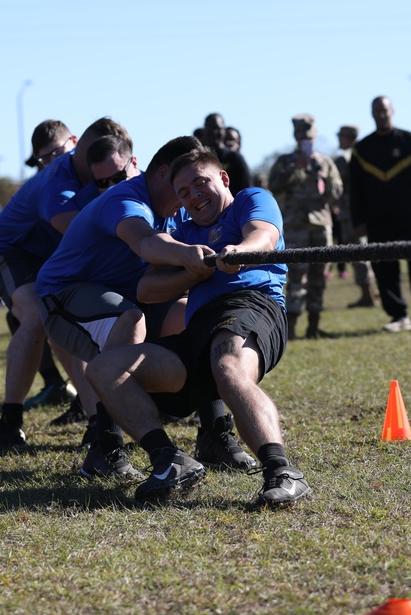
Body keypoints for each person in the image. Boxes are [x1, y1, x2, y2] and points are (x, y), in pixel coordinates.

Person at [86, 148, 310, 506]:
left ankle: (282, 471)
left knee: (228, 366)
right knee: (104, 368)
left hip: (252, 306)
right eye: (184, 192)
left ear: (222, 179)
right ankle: (168, 460)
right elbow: (147, 288)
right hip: (198, 332)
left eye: (200, 183)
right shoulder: (185, 233)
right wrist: (191, 269)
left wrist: (239, 251)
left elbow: (264, 236)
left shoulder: (251, 200)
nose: (193, 196)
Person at [35, 136, 253, 480]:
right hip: (63, 296)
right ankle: (106, 447)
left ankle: (213, 433)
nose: (192, 193)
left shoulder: (179, 210)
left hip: (129, 297)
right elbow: (146, 241)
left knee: (192, 317)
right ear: (164, 173)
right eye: (184, 182)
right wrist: (186, 255)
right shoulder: (126, 199)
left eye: (199, 182)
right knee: (129, 319)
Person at [0, 118, 122, 448]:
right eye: (41, 158)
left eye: (54, 153)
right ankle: (10, 421)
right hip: (13, 253)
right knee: (36, 318)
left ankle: (95, 421)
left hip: (54, 257)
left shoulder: (103, 169)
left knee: (63, 319)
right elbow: (81, 232)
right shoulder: (56, 182)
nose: (48, 161)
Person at [349, 96, 411, 332]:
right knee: (385, 269)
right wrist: (358, 220)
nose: (382, 114)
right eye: (377, 111)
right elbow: (355, 189)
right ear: (372, 114)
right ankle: (399, 316)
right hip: (377, 220)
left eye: (385, 110)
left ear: (393, 111)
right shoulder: (362, 149)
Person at [268, 114, 343, 339]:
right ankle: (290, 328)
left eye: (309, 137)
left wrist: (323, 176)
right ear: (296, 137)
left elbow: (337, 193)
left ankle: (314, 325)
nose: (306, 140)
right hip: (295, 225)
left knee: (319, 276)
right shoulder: (285, 161)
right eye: (302, 137)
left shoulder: (325, 162)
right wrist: (294, 169)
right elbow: (274, 187)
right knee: (296, 277)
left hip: (321, 225)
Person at [334, 125, 377, 308]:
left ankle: (368, 295)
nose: (338, 140)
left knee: (357, 253)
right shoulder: (366, 152)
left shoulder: (345, 158)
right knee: (363, 252)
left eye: (341, 136)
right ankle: (372, 292)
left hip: (350, 212)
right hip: (364, 211)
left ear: (348, 137)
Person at [199, 113, 252, 195]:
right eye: (211, 127)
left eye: (218, 128)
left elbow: (247, 188)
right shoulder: (198, 160)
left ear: (224, 130)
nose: (214, 132)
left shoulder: (235, 158)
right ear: (204, 129)